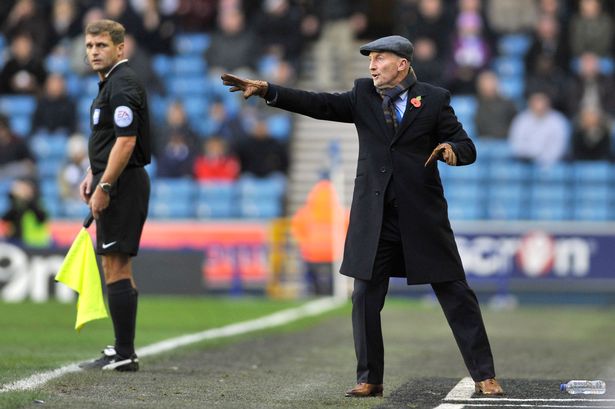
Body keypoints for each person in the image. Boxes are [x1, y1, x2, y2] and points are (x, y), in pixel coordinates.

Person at [221, 35, 504, 397]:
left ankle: (485, 375)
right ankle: (370, 378)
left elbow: (467, 146)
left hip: (422, 217)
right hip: (376, 217)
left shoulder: (433, 99)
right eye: (369, 59)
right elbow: (318, 103)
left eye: (379, 59)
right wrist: (268, 91)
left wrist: (451, 150)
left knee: (455, 293)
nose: (371, 66)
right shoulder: (362, 95)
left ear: (402, 63)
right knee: (365, 296)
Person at [77, 19, 151, 372]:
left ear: (120, 48)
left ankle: (125, 354)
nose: (94, 52)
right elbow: (109, 140)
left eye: (102, 46)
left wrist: (105, 185)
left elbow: (126, 141)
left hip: (123, 184)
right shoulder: (109, 85)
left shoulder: (122, 85)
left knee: (117, 263)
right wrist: (93, 173)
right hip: (115, 180)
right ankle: (123, 349)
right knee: (113, 264)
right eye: (90, 46)